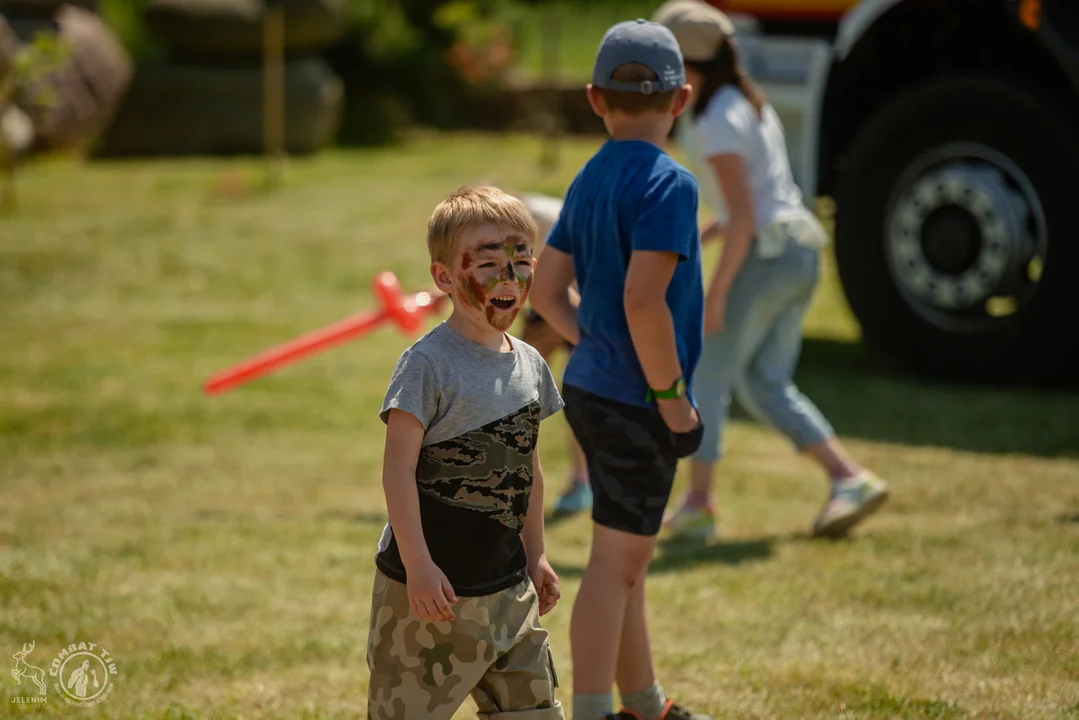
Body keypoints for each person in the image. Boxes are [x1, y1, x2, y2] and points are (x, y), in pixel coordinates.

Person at [652, 0, 890, 541]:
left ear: (685, 66)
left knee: (708, 371)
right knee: (764, 383)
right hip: (799, 251)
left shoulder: (715, 120)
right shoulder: (745, 101)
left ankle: (699, 504)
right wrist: (696, 238)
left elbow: (745, 218)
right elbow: (744, 209)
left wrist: (715, 296)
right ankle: (849, 478)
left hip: (768, 254)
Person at [531, 18, 712, 720]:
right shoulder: (669, 184)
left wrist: (593, 343)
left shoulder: (587, 177)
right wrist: (671, 399)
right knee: (615, 567)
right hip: (638, 404)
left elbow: (546, 293)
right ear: (682, 98)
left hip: (591, 390)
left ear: (593, 99)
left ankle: (642, 704)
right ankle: (591, 711)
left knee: (623, 553)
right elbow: (644, 301)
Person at [367, 185, 566, 720]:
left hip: (508, 592)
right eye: (489, 263)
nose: (509, 277)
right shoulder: (427, 365)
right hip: (431, 598)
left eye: (521, 260)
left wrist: (537, 551)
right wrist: (419, 565)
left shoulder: (530, 362)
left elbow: (528, 467)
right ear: (445, 278)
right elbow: (398, 471)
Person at [518, 192, 593, 515]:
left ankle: (581, 482)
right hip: (565, 299)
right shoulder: (525, 214)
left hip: (573, 300)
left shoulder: (530, 219)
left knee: (521, 389)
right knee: (521, 389)